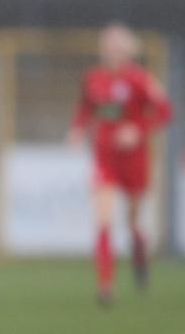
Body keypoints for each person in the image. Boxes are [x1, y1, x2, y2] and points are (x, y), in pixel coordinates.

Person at [68, 23, 172, 305]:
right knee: (104, 219)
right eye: (107, 47)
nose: (111, 52)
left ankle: (139, 257)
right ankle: (106, 285)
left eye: (117, 47)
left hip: (135, 160)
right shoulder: (93, 78)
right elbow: (85, 108)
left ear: (128, 50)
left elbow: (164, 111)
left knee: (133, 221)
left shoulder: (140, 80)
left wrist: (139, 131)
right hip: (106, 158)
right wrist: (78, 129)